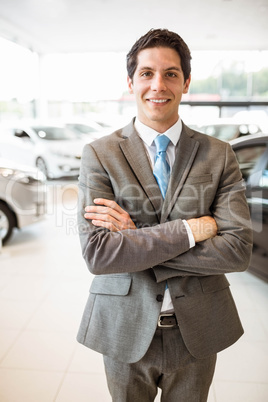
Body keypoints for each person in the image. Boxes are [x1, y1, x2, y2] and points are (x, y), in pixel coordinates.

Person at [76, 28, 252, 402]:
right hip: (123, 326)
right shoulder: (100, 154)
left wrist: (135, 238)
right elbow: (100, 254)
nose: (158, 85)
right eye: (147, 73)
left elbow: (237, 250)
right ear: (130, 82)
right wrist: (191, 229)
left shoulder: (219, 155)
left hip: (198, 328)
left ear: (186, 82)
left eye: (171, 74)